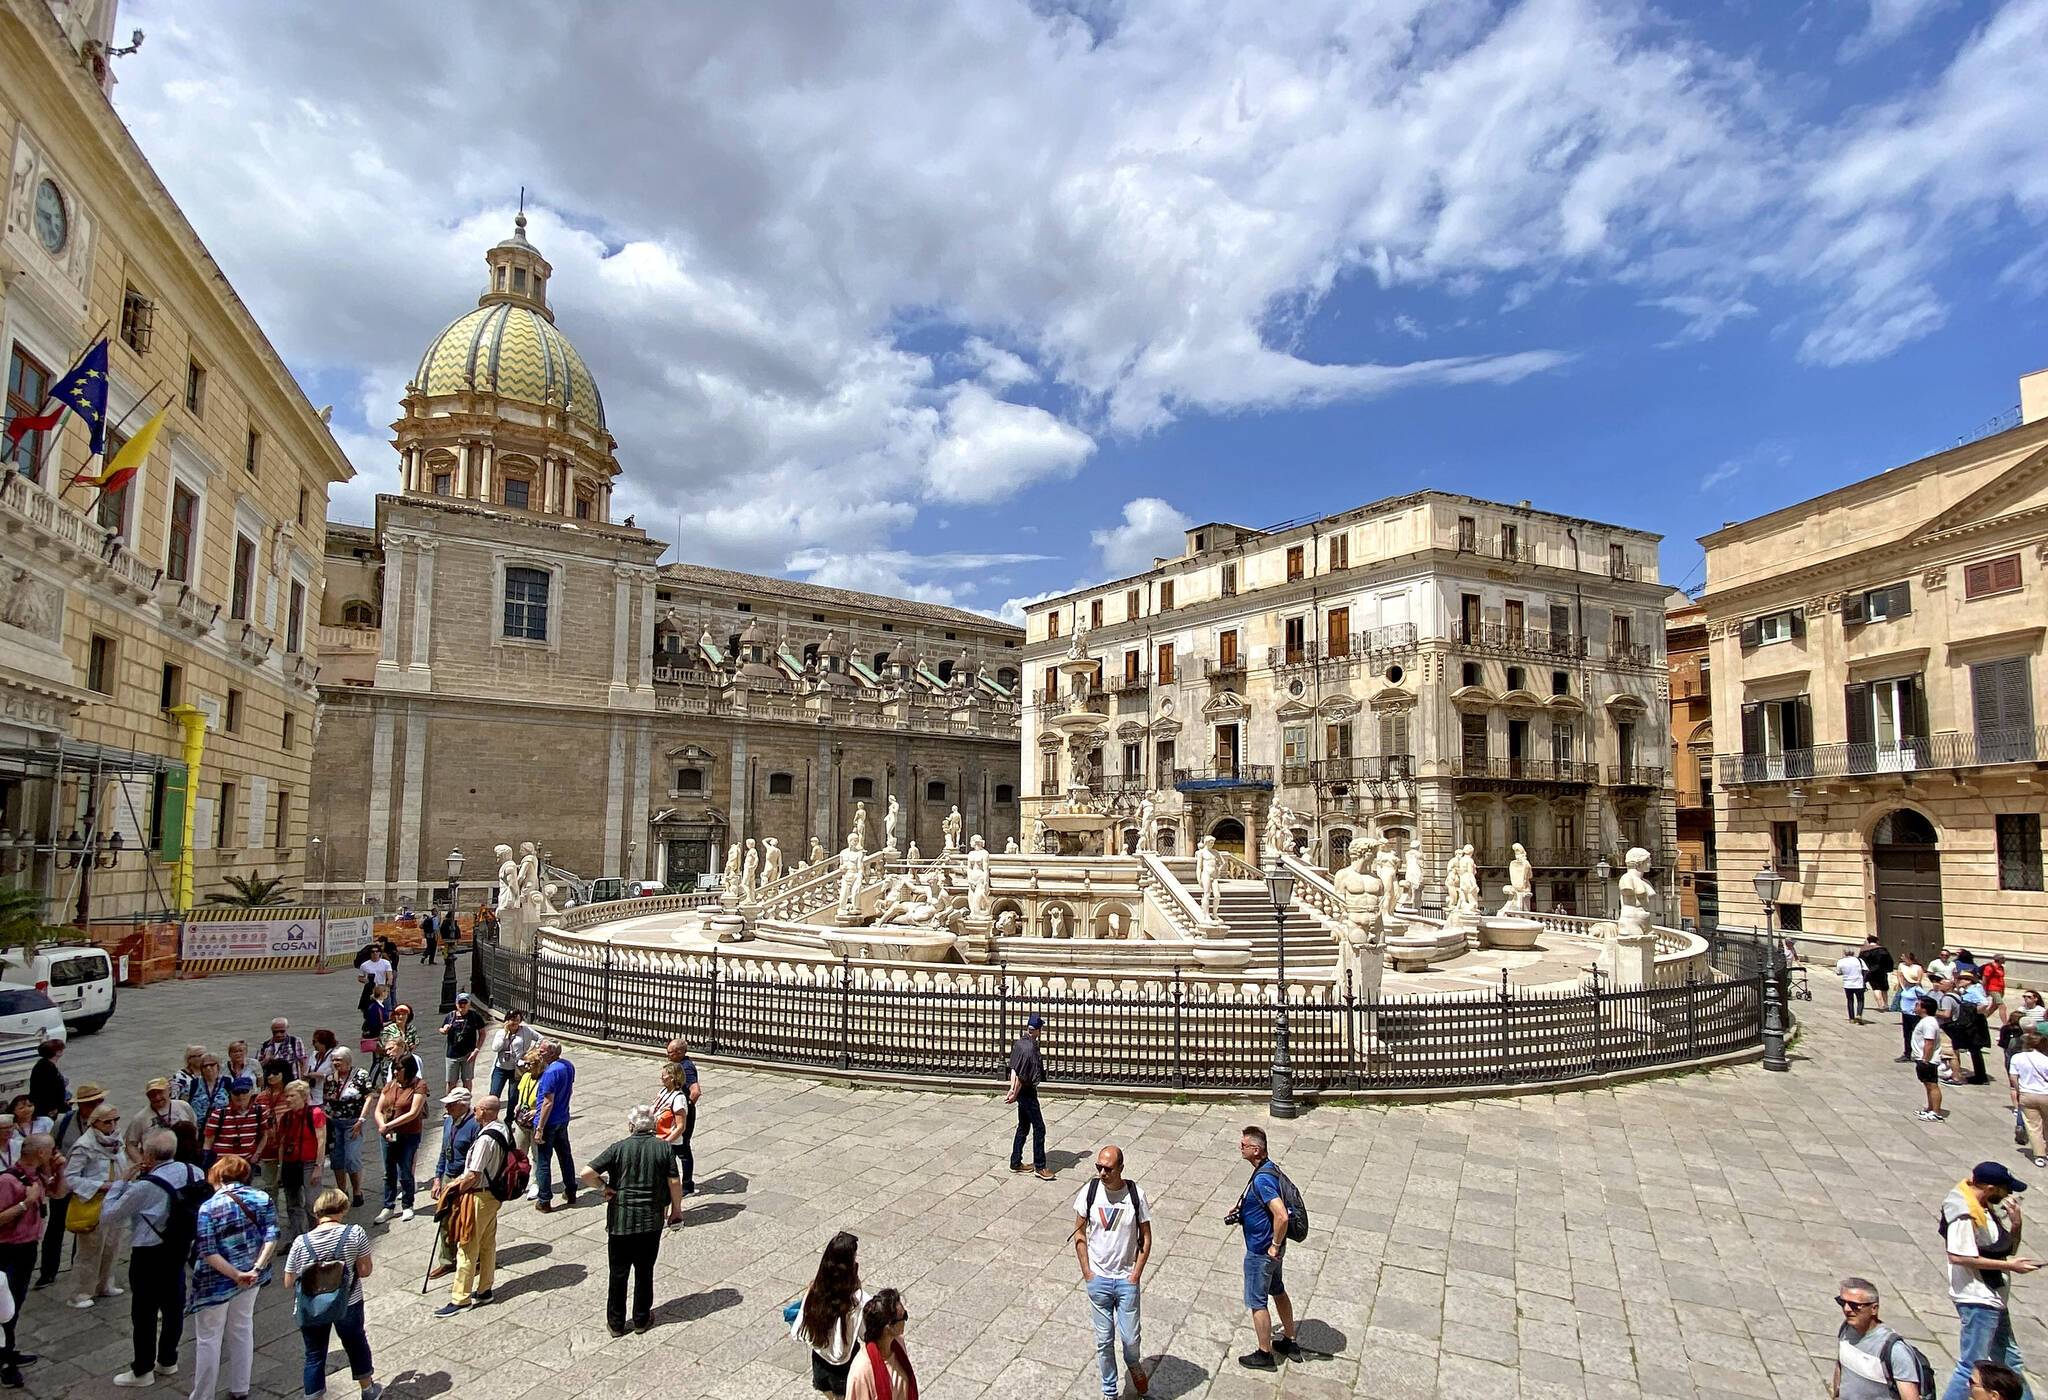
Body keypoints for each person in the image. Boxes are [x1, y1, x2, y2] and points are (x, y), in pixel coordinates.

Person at [102, 1128, 206, 1389]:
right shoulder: (195, 1172)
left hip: (149, 1252)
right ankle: (168, 1359)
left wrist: (121, 1182)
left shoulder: (145, 1186)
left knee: (144, 1312)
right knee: (174, 1306)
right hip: (180, 1246)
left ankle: (142, 1369)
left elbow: (110, 1215)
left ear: (148, 1154)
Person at [578, 1104, 682, 1336]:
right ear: (653, 1126)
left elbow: (586, 1173)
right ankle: (641, 1319)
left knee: (618, 1272)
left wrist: (603, 1187)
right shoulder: (664, 1149)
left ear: (631, 1126)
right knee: (645, 1270)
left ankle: (615, 1322)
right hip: (650, 1219)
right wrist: (677, 1210)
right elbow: (674, 1182)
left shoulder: (618, 1148)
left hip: (620, 1220)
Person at [1940, 1162, 2041, 1399]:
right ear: (1991, 1188)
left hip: (1994, 1297)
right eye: (2006, 1189)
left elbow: (2005, 1248)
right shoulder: (1964, 1212)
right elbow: (1958, 1256)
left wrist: (2016, 1224)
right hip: (1978, 1298)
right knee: (1971, 1365)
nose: (2009, 1195)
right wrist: (2010, 1267)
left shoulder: (1984, 1208)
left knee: (2009, 1360)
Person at [186, 1154, 277, 1400]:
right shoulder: (262, 1198)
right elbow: (271, 1236)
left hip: (216, 1281)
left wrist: (235, 1274)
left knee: (208, 1338)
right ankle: (240, 1387)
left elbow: (207, 1251)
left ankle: (203, 1395)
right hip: (251, 1277)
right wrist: (255, 1270)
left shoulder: (209, 1207)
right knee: (242, 1327)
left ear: (218, 1176)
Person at [284, 1188, 381, 1400]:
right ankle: (368, 1390)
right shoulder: (355, 1233)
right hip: (349, 1301)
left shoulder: (301, 1242)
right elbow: (365, 1271)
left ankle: (313, 1396)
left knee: (314, 1354)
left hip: (311, 1306)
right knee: (356, 1344)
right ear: (343, 1209)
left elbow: (288, 1281)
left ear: (318, 1211)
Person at [1073, 1144, 1151, 1400]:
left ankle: (1133, 1363)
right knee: (1104, 1342)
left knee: (1130, 1340)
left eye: (1108, 1168)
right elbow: (1079, 1233)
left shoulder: (1135, 1195)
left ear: (1121, 1169)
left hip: (1126, 1279)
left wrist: (1136, 1274)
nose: (1102, 1173)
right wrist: (1087, 1271)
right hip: (1099, 1280)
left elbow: (1146, 1237)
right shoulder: (1090, 1192)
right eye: (1099, 1167)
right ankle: (1109, 1392)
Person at [1233, 1125, 1300, 1371]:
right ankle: (1290, 1340)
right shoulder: (1269, 1168)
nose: (1240, 1148)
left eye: (1243, 1145)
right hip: (1273, 1252)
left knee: (1257, 1302)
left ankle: (1264, 1353)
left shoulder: (1262, 1179)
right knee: (1278, 1290)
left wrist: (1273, 1245)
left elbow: (1281, 1216)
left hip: (1262, 1252)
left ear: (1256, 1149)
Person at [434, 1095, 508, 1315]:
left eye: (477, 1109)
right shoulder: (503, 1129)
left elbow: (473, 1175)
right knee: (487, 1243)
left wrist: (453, 1188)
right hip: (493, 1196)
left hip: (479, 1196)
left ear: (485, 1111)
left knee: (467, 1247)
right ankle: (485, 1289)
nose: (474, 1112)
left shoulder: (485, 1139)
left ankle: (460, 1298)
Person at [0, 1132, 62, 1388]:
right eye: (51, 1150)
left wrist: (59, 1169)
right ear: (40, 1153)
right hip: (8, 1251)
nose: (54, 1153)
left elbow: (58, 1193)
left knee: (17, 1302)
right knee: (5, 1308)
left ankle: (8, 1349)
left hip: (27, 1248)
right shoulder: (7, 1181)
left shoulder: (36, 1175)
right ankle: (5, 1363)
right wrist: (26, 1203)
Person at [65, 1098, 129, 1309]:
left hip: (115, 1202)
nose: (112, 1126)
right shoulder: (84, 1146)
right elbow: (71, 1177)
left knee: (112, 1245)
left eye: (115, 1121)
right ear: (95, 1124)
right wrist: (100, 1186)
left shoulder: (117, 1142)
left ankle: (105, 1284)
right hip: (93, 1203)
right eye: (106, 1122)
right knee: (90, 1251)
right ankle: (81, 1292)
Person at [36, 1082, 100, 1288]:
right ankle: (48, 1271)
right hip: (65, 1182)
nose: (95, 1106)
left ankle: (78, 1265)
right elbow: (51, 1147)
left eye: (98, 1102)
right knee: (55, 1227)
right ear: (81, 1105)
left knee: (85, 1226)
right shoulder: (64, 1122)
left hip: (88, 1184)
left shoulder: (104, 1122)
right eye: (91, 1103)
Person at [791, 1232, 866, 1397]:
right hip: (844, 1367)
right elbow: (864, 1332)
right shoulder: (854, 1300)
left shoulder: (815, 1289)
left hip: (819, 1361)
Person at [1831, 1275, 1924, 1400]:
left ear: (1874, 1309)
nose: (1846, 1309)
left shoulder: (1895, 1351)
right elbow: (1841, 1365)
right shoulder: (1846, 1329)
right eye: (1842, 1302)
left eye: (1854, 1305)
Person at [426, 1088, 481, 1282]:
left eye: (451, 1104)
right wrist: (437, 1179)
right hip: (449, 1177)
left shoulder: (476, 1125)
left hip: (466, 1180)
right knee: (444, 1219)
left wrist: (465, 1181)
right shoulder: (448, 1120)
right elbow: (444, 1150)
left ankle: (475, 1259)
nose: (446, 1107)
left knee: (467, 1221)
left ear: (463, 1105)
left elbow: (477, 1158)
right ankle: (447, 1260)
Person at [371, 1057, 427, 1223]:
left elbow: (413, 1113)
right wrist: (383, 1126)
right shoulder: (389, 1086)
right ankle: (388, 1206)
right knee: (389, 1172)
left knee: (405, 1170)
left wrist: (389, 1125)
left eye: (399, 1069)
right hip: (388, 1134)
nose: (395, 1072)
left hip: (408, 1134)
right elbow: (378, 1110)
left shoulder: (419, 1085)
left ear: (408, 1069)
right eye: (394, 1068)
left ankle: (407, 1205)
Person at [272, 1080, 327, 1244]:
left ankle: (318, 1237)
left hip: (309, 1162)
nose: (287, 1099)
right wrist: (280, 1168)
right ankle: (298, 1239)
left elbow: (321, 1140)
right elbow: (282, 1143)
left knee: (312, 1203)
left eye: (291, 1095)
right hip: (290, 1163)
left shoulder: (315, 1113)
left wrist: (318, 1166)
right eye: (286, 1095)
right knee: (292, 1204)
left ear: (303, 1096)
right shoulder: (286, 1117)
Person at [531, 1042, 578, 1213]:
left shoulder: (550, 1072)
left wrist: (539, 1128)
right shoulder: (568, 1066)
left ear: (551, 1053)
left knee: (543, 1161)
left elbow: (547, 1102)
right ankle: (571, 1190)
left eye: (542, 1051)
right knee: (565, 1155)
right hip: (563, 1118)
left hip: (549, 1122)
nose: (539, 1054)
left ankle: (544, 1200)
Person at [844, 1289, 916, 1400]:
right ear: (889, 1326)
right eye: (904, 1316)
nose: (906, 1320)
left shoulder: (898, 1344)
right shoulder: (861, 1372)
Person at [323, 1049, 372, 1208]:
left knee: (352, 1158)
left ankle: (357, 1191)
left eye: (339, 1060)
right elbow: (326, 1100)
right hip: (334, 1123)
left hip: (353, 1123)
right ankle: (342, 1191)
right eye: (334, 1060)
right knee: (337, 1159)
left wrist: (362, 1119)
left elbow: (369, 1096)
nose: (336, 1063)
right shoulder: (330, 1078)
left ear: (348, 1061)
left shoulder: (360, 1075)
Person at [1006, 1014, 1052, 1181]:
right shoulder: (1031, 1049)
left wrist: (1011, 1090)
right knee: (1039, 1128)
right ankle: (1040, 1167)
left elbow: (1014, 1069)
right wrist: (1015, 1092)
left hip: (1020, 1091)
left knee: (1023, 1126)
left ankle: (1015, 1162)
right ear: (1038, 1030)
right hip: (1027, 1092)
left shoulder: (1019, 1043)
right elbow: (1022, 1076)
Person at [657, 1040, 701, 1195]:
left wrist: (684, 1109)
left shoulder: (686, 1067)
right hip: (677, 1113)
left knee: (683, 1149)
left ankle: (687, 1184)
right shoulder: (678, 1065)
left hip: (682, 1115)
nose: (667, 1055)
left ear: (680, 1052)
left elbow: (695, 1091)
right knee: (678, 1149)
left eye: (671, 1052)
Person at [201, 1077, 266, 1171]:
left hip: (246, 1164)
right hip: (222, 1166)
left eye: (244, 1091)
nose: (240, 1096)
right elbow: (208, 1143)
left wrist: (257, 1154)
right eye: (236, 1093)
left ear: (251, 1092)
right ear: (231, 1094)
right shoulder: (218, 1114)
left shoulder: (259, 1111)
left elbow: (264, 1135)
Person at [124, 1078, 197, 1158]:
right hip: (157, 1161)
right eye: (152, 1094)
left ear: (169, 1090)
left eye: (160, 1092)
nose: (157, 1097)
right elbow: (130, 1144)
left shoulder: (183, 1106)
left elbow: (195, 1127)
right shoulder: (140, 1118)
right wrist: (141, 1162)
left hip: (186, 1157)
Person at [486, 1009, 538, 1106]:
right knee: (494, 1094)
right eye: (512, 1020)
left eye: (517, 1020)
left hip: (516, 1068)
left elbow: (540, 1038)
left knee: (513, 1096)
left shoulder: (525, 1031)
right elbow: (495, 1048)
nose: (514, 1023)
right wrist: (505, 1034)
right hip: (501, 1068)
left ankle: (509, 1118)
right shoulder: (500, 1033)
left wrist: (532, 1051)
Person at [438, 994, 485, 1093]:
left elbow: (482, 1033)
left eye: (465, 1003)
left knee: (467, 1080)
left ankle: (466, 1104)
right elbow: (441, 1029)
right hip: (452, 1054)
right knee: (451, 1082)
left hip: (468, 1055)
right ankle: (450, 1104)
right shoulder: (451, 1016)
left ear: (469, 1004)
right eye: (460, 1003)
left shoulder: (474, 1016)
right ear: (456, 1004)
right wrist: (444, 1030)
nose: (462, 1005)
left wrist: (476, 1050)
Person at [2014, 1034, 2048, 1171]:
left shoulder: (2017, 1058)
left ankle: (2039, 1155)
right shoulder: (2046, 1060)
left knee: (2033, 1126)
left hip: (2026, 1093)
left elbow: (2013, 1078)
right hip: (2045, 1094)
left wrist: (2020, 1091)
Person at [1914, 996, 1948, 1123]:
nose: (1915, 1007)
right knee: (1927, 1084)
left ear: (1924, 1009)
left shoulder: (1929, 1023)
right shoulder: (1926, 1021)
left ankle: (1936, 1112)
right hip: (1924, 1058)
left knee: (1932, 1085)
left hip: (1928, 1059)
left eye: (1918, 1005)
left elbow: (1929, 1042)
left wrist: (1925, 1059)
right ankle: (1930, 1108)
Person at [185, 1054, 229, 1125]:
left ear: (218, 1066)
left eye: (212, 1065)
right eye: (204, 1066)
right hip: (199, 1127)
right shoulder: (194, 1084)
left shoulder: (227, 1082)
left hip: (222, 1126)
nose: (208, 1068)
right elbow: (185, 1106)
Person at [26, 1041, 65, 1121]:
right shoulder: (46, 1067)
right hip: (46, 1108)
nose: (62, 1050)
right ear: (56, 1052)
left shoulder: (46, 1064)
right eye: (60, 1049)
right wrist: (53, 1107)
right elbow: (48, 1090)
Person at [1860, 937, 1897, 1011]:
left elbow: (1861, 962)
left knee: (1875, 988)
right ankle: (1886, 1004)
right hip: (1881, 971)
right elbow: (1889, 960)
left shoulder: (1864, 951)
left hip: (1870, 972)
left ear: (1868, 941)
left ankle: (1880, 1005)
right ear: (1877, 941)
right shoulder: (1882, 950)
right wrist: (1889, 969)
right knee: (1884, 988)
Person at [306, 1029, 340, 1110]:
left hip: (325, 1095)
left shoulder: (334, 1056)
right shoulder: (314, 1054)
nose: (313, 1044)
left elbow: (339, 1077)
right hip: (311, 1093)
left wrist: (321, 1076)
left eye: (315, 1042)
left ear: (323, 1042)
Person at [356, 943, 394, 1013]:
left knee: (386, 1010)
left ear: (380, 953)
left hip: (382, 988)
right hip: (371, 989)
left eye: (377, 951)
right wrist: (366, 981)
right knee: (370, 1010)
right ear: (370, 953)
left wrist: (388, 984)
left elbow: (390, 975)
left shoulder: (386, 963)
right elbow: (360, 977)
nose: (375, 953)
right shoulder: (364, 965)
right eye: (373, 952)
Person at [1837, 948, 1870, 1024]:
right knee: (1860, 1000)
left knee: (1850, 1000)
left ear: (1845, 953)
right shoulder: (1859, 960)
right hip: (1859, 983)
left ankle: (1851, 1018)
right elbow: (1866, 970)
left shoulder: (1841, 961)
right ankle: (1858, 1014)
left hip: (1848, 984)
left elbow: (1838, 972)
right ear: (1853, 953)